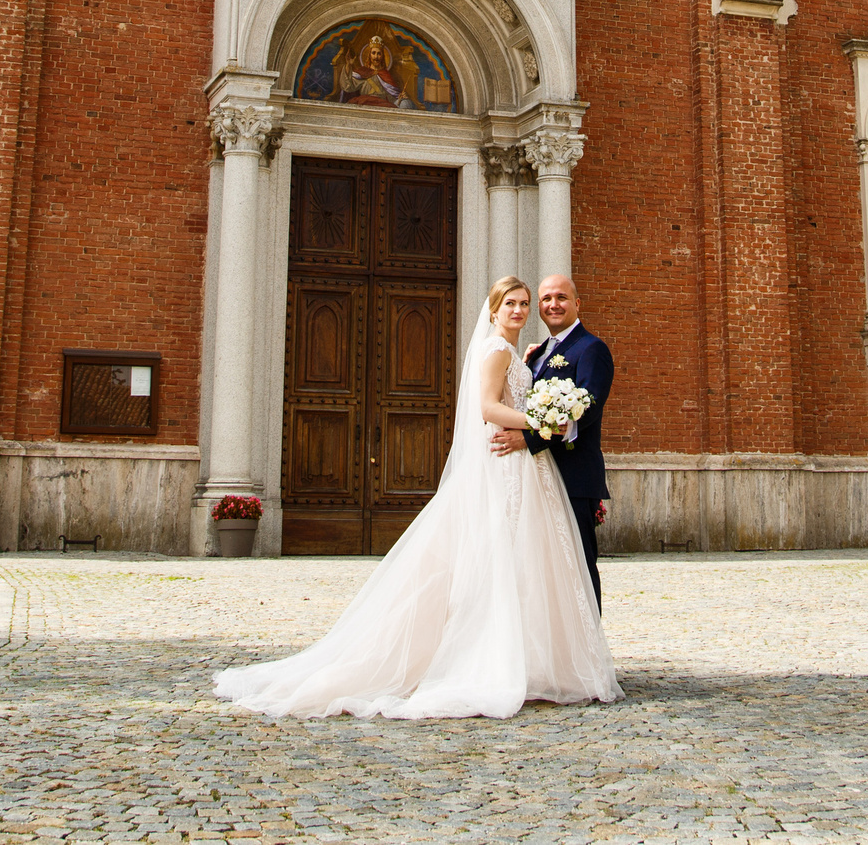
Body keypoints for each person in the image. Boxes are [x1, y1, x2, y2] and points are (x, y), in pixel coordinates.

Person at [213, 275, 619, 718]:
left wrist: (533, 432)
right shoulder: (511, 351)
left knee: (561, 567)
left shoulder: (564, 350)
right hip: (514, 469)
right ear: (494, 308)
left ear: (577, 302)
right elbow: (489, 407)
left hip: (552, 474)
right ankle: (528, 661)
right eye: (521, 302)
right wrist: (537, 424)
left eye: (534, 301)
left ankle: (570, 659)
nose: (530, 308)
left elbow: (584, 408)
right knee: (512, 564)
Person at [494, 270, 612, 608]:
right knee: (547, 571)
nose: (553, 304)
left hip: (574, 477)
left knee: (578, 566)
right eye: (546, 299)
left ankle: (588, 653)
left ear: (577, 303)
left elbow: (586, 411)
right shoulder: (537, 353)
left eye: (561, 297)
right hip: (537, 478)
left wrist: (528, 439)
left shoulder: (592, 349)